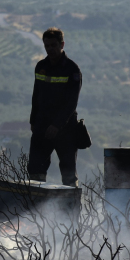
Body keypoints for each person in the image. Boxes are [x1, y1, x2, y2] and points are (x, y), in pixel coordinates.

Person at [28, 27, 82, 187]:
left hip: (65, 129)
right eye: (47, 46)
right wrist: (33, 121)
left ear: (62, 44)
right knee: (35, 173)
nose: (50, 49)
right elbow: (36, 96)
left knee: (68, 175)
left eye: (53, 45)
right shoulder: (40, 67)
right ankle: (34, 209)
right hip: (41, 128)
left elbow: (72, 102)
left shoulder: (72, 70)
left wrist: (57, 125)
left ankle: (70, 210)